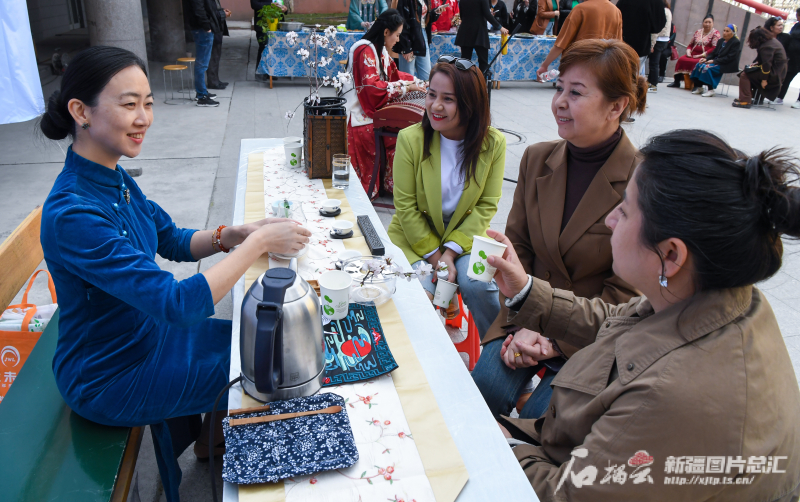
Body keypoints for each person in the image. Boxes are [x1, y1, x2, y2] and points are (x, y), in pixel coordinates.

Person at [37, 46, 311, 500]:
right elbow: (178, 305)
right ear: (80, 111)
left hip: (150, 336)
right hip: (108, 374)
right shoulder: (74, 213)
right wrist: (260, 245)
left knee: (262, 342)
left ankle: (211, 441)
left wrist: (237, 233)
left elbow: (172, 239)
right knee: (272, 366)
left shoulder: (113, 177)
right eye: (129, 104)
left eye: (147, 102)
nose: (143, 117)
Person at [489, 129, 800, 500]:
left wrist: (503, 445)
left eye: (624, 209)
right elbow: (619, 319)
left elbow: (571, 495)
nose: (610, 221)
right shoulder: (717, 296)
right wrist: (526, 289)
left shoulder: (671, 397)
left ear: (671, 255)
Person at [472, 39, 643, 420]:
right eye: (559, 88)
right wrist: (523, 321)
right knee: (480, 392)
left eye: (576, 93)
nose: (560, 102)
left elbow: (627, 292)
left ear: (616, 106)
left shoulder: (641, 181)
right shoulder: (537, 158)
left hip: (590, 337)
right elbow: (518, 249)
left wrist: (553, 339)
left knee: (543, 419)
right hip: (523, 318)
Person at [388, 57, 506, 336]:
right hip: (414, 238)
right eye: (431, 94)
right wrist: (437, 259)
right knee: (421, 294)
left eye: (448, 99)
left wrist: (450, 255)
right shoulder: (411, 139)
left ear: (470, 104)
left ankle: (499, 349)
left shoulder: (493, 144)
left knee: (478, 283)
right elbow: (405, 207)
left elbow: (486, 206)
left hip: (465, 239)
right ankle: (422, 365)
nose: (435, 106)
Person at [342, 9, 424, 199]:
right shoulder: (365, 50)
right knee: (397, 136)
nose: (397, 39)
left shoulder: (379, 51)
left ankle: (394, 186)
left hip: (367, 112)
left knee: (403, 135)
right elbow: (372, 89)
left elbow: (395, 76)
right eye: (396, 35)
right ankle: (389, 187)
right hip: (357, 116)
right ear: (386, 32)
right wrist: (406, 87)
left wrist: (420, 82)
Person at [536, 0, 623, 81]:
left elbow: (561, 43)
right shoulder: (616, 11)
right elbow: (619, 44)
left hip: (580, 64)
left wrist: (545, 65)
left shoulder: (580, 9)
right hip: (605, 65)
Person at [185, 0, 227, 106]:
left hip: (202, 28)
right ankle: (202, 96)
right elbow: (199, 10)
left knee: (202, 63)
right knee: (202, 63)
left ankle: (202, 92)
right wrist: (207, 26)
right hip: (202, 29)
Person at [734, 26, 788, 108]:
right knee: (747, 72)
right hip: (777, 71)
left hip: (774, 74)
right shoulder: (770, 41)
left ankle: (745, 101)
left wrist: (764, 80)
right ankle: (746, 96)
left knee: (744, 75)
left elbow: (767, 64)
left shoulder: (766, 46)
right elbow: (767, 60)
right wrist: (757, 64)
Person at [616, 0, 666, 78]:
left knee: (618, 74)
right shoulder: (655, 2)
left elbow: (616, 14)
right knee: (634, 77)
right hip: (641, 44)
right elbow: (658, 25)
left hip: (621, 42)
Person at [455, 0, 509, 73]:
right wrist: (500, 27)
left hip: (465, 31)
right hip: (479, 32)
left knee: (465, 61)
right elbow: (487, 14)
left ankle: (464, 82)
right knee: (483, 62)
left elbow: (462, 15)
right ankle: (481, 82)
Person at [668, 13, 720, 89]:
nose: (707, 24)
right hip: (693, 54)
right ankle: (676, 82)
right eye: (706, 22)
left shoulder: (715, 33)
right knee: (681, 59)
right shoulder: (698, 32)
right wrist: (688, 51)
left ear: (713, 23)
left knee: (697, 63)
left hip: (705, 56)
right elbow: (690, 44)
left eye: (709, 22)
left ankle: (697, 85)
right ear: (703, 23)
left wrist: (701, 55)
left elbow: (714, 48)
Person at [689, 24, 741, 97]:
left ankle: (711, 90)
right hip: (716, 61)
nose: (724, 33)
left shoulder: (736, 42)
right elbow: (714, 52)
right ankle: (699, 87)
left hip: (725, 63)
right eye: (724, 30)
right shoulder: (721, 41)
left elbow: (730, 57)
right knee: (699, 65)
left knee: (706, 67)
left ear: (732, 33)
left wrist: (714, 61)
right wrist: (706, 59)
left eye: (727, 31)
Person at [394, 0, 438, 80]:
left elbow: (424, 19)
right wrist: (406, 47)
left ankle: (426, 92)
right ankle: (409, 92)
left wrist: (435, 13)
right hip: (409, 37)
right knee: (408, 76)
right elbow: (402, 22)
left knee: (426, 75)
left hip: (422, 35)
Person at [252, 0, 288, 81]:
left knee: (274, 49)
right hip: (263, 24)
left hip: (277, 24)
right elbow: (254, 4)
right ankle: (260, 73)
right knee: (263, 47)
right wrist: (270, 5)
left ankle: (271, 72)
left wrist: (285, 9)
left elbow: (280, 3)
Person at [647, 0, 672, 92]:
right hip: (664, 40)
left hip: (658, 39)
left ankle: (653, 84)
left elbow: (656, 30)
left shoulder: (661, 11)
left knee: (654, 63)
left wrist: (652, 44)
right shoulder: (668, 11)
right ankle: (650, 81)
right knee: (655, 62)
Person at [776, 10, 800, 107]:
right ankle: (780, 98)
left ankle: (799, 101)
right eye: (797, 15)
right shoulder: (796, 25)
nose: (797, 17)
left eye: (798, 15)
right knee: (786, 77)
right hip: (793, 57)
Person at [207, 1, 231, 90]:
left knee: (216, 55)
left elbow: (214, 9)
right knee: (213, 56)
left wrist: (222, 10)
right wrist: (223, 13)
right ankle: (213, 81)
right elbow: (211, 13)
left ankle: (215, 79)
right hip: (212, 27)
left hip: (217, 27)